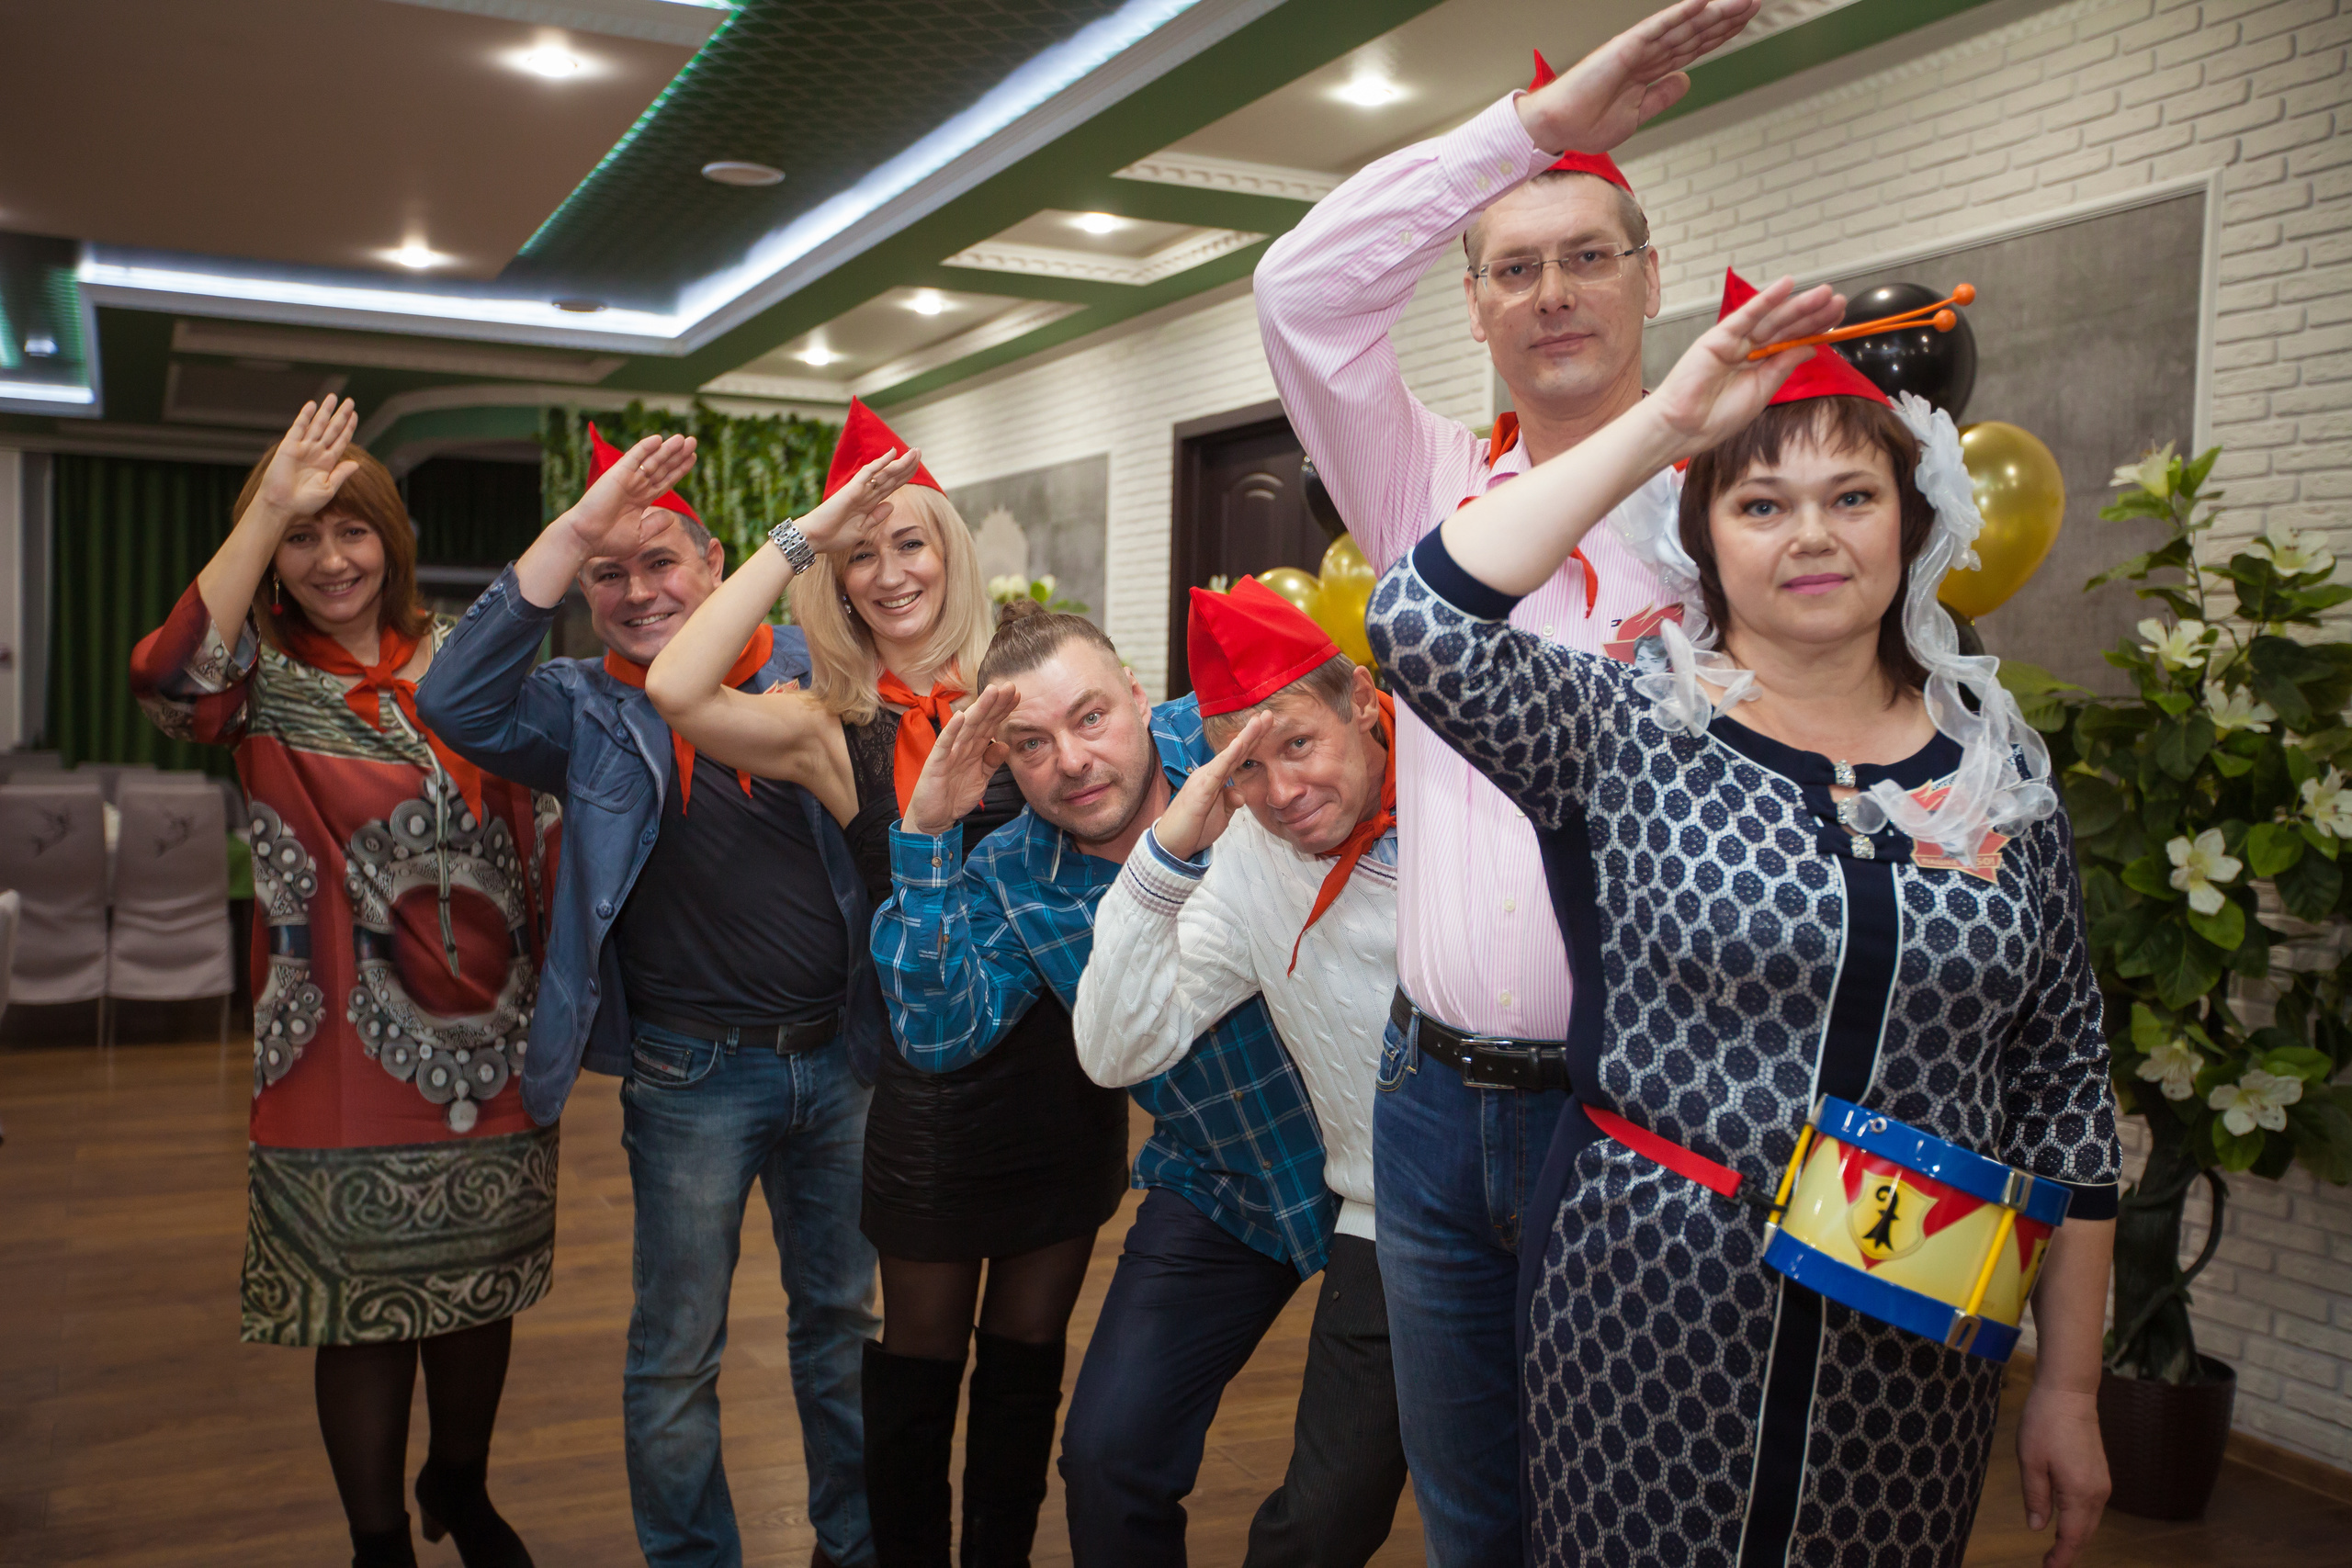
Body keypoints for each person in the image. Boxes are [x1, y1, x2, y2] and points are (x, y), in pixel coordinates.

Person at [1364, 266, 2119, 1568]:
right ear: (1702, 536)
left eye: (1853, 497)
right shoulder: (1622, 730)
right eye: (1761, 502)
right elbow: (1419, 619)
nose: (1811, 534)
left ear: (1913, 520)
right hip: (1648, 1302)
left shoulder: (1998, 776)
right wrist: (1667, 417)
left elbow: (2066, 1089)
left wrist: (2071, 1385)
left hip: (1913, 1323)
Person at [1253, 5, 1761, 1555]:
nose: (1553, 292)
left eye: (1588, 255)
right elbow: (1299, 292)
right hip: (1428, 1100)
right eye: (1514, 265)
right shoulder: (1421, 491)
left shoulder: (1731, 506)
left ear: (1651, 279)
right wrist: (1529, 130)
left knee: (1632, 1511)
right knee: (1473, 1515)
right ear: (1470, 303)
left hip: (1646, 1115)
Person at [641, 399, 1132, 1567]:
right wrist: (805, 532)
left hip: (1066, 1085)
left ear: (950, 549)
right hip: (922, 1099)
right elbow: (674, 686)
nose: (889, 570)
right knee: (914, 1376)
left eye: (909, 540)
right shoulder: (826, 725)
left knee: (1024, 1371)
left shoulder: (1034, 693)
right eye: (863, 555)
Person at [412, 425, 880, 1568]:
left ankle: (856, 1547)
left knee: (843, 1334)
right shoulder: (577, 709)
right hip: (688, 1079)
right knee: (678, 1352)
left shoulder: (821, 671)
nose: (635, 591)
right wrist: (576, 527)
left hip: (845, 1062)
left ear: (717, 563)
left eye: (659, 561)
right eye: (606, 572)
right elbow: (453, 699)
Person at [130, 397, 554, 1568]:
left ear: (393, 541)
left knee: (477, 1296)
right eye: (303, 537)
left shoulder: (474, 653)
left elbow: (543, 816)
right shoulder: (255, 678)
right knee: (357, 1315)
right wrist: (266, 501)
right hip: (330, 1049)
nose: (331, 561)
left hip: (489, 1039)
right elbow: (168, 678)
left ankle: (459, 1486)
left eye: (351, 532)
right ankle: (378, 1543)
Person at [871, 610, 1337, 1568]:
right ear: (1003, 759)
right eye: (1032, 746)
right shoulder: (1011, 874)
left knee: (1348, 1493)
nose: (1073, 762)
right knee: (1109, 1456)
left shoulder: (1234, 743)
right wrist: (925, 833)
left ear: (1136, 693)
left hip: (1381, 1169)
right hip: (1217, 1188)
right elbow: (938, 1036)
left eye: (1091, 718)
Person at [1069, 577, 1412, 1567]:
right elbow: (1115, 1049)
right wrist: (1173, 847)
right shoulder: (1248, 854)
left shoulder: (1466, 796)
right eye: (1247, 769)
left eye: (1296, 745)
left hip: (1533, 1205)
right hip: (1380, 1217)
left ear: (1358, 697)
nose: (1281, 793)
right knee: (1319, 1522)